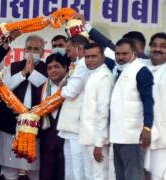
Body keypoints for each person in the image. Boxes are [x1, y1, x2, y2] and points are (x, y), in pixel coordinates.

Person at [0, 35, 47, 180]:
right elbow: (4, 89)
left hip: (36, 128)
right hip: (11, 125)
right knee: (9, 170)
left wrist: (32, 74)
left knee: (36, 171)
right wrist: (23, 74)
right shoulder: (13, 66)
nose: (32, 52)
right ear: (24, 50)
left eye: (36, 49)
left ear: (42, 52)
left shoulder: (48, 68)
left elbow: (48, 90)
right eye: (29, 48)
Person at [110, 38, 154, 180]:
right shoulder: (121, 70)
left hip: (133, 137)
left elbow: (148, 101)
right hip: (118, 136)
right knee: (121, 176)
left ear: (134, 53)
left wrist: (147, 127)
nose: (120, 57)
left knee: (133, 176)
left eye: (125, 53)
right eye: (118, 54)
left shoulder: (141, 71)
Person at [56, 35, 90, 180]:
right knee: (70, 170)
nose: (68, 55)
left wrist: (63, 88)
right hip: (70, 127)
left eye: (69, 51)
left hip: (78, 127)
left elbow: (69, 92)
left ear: (80, 48)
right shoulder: (77, 66)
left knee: (78, 170)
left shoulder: (83, 66)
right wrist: (64, 87)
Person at [79, 43, 114, 180]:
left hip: (97, 141)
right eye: (87, 57)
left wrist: (99, 144)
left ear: (103, 57)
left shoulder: (104, 77)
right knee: (90, 176)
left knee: (99, 176)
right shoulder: (93, 75)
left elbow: (103, 112)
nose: (90, 60)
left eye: (94, 56)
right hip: (88, 138)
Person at [39, 53, 68, 180]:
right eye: (49, 68)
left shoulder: (72, 86)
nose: (53, 70)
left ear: (65, 68)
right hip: (47, 139)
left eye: (56, 66)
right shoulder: (41, 89)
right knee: (46, 173)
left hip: (67, 138)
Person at [144, 32, 166, 180]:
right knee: (142, 173)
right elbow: (113, 49)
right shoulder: (140, 66)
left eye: (163, 46)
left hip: (163, 135)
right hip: (142, 133)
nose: (158, 49)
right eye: (155, 45)